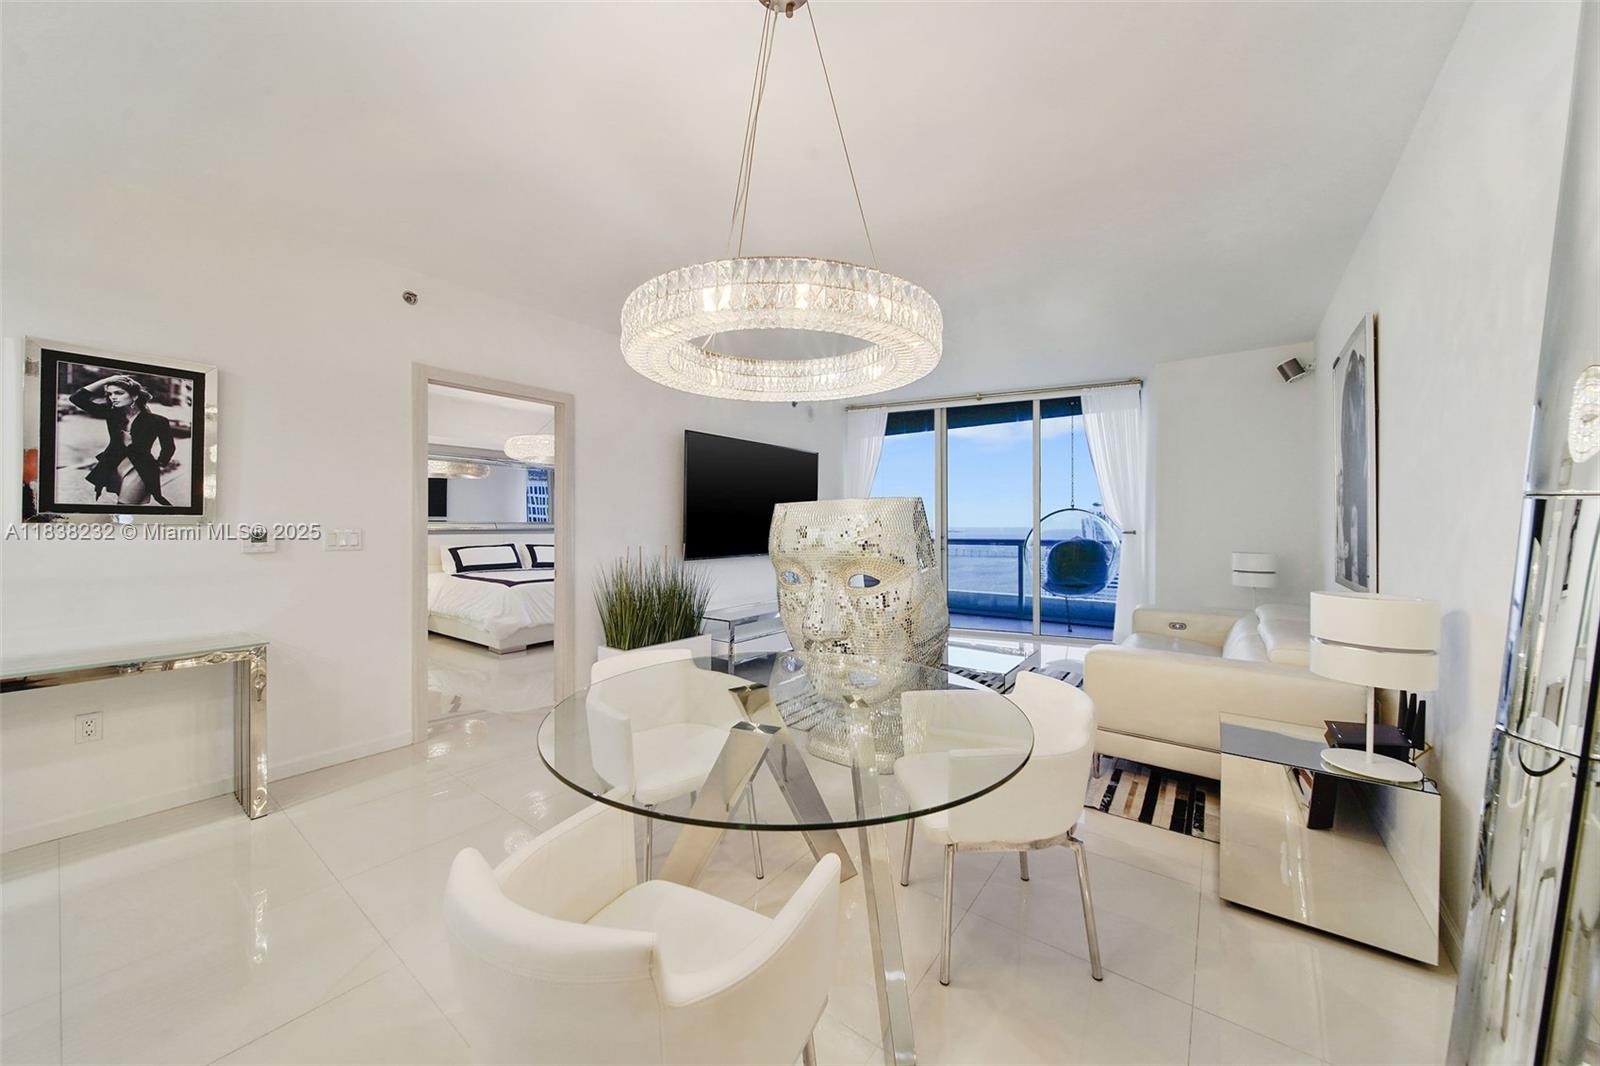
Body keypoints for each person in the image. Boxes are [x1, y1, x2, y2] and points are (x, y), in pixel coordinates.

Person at [69, 373, 176, 506]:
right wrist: (107, 380)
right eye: (110, 394)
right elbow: (76, 398)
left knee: (124, 506)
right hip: (114, 465)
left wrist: (159, 465)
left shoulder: (157, 421)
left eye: (119, 393)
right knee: (129, 505)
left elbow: (168, 447)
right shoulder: (112, 414)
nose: (113, 397)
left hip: (140, 468)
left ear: (135, 396)